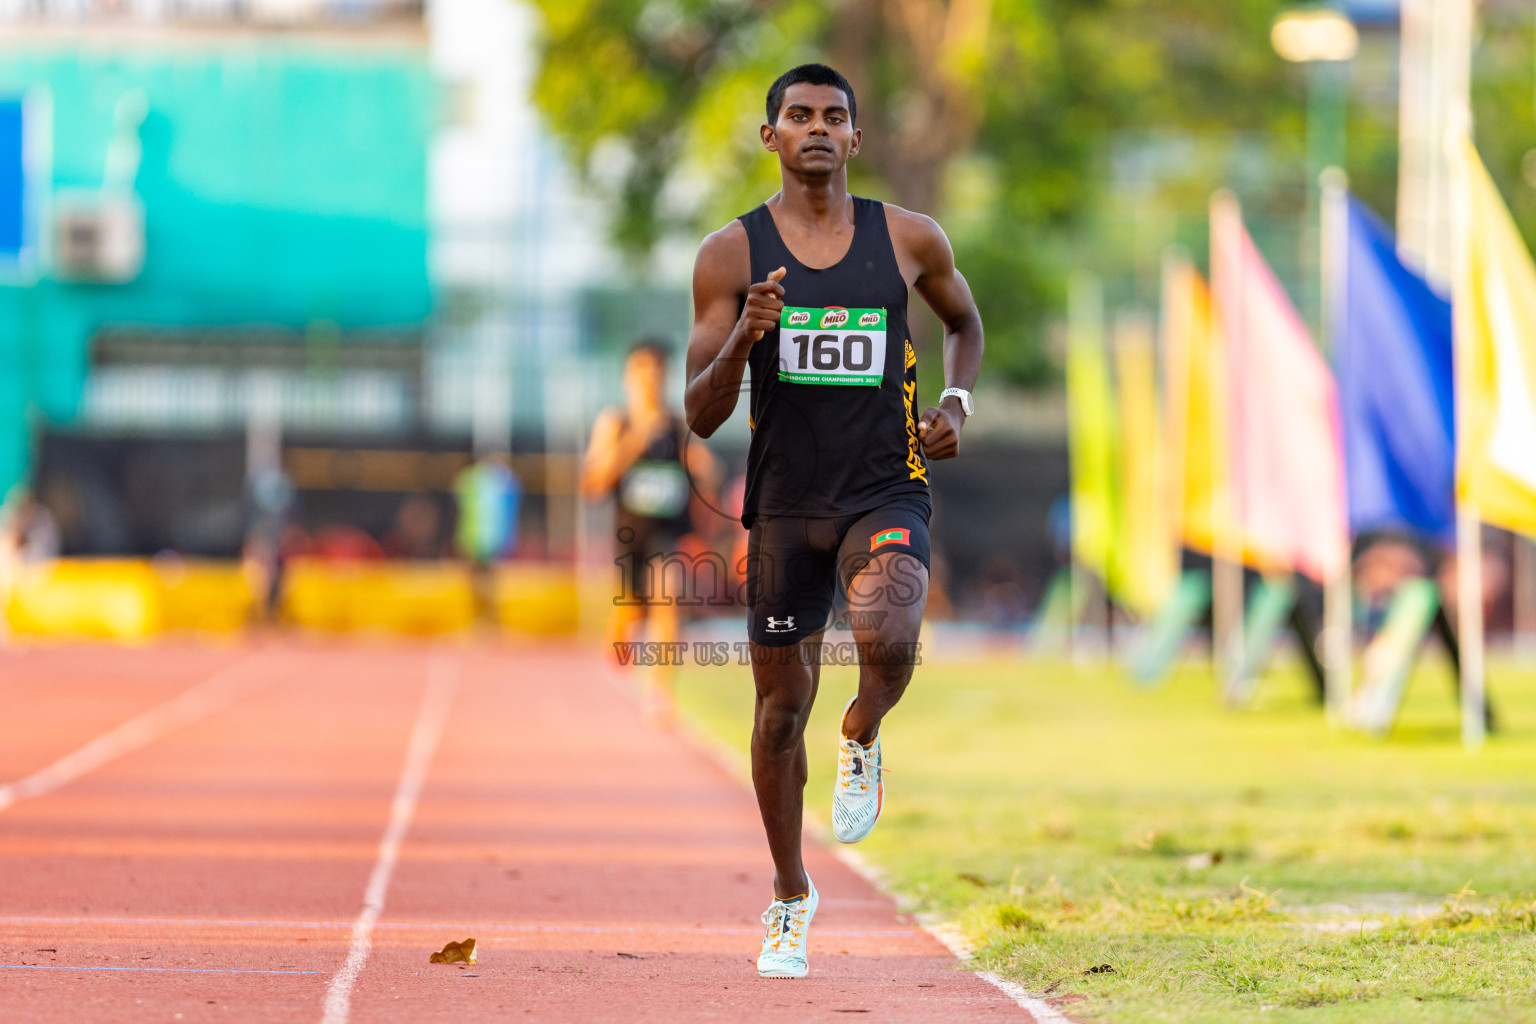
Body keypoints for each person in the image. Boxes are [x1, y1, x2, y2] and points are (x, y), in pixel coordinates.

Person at [683, 64, 983, 979]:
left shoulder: (909, 239)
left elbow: (963, 323)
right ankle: (788, 896)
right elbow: (698, 415)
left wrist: (958, 402)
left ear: (856, 138)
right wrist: (744, 337)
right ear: (770, 136)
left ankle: (860, 734)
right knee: (779, 713)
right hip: (782, 511)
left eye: (835, 116)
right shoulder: (730, 256)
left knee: (889, 635)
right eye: (800, 115)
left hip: (885, 489)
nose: (818, 127)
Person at [582, 339, 719, 726]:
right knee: (630, 615)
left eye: (657, 374)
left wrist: (704, 474)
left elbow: (705, 473)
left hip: (667, 535)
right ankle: (621, 634)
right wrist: (634, 441)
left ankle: (658, 690)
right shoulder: (615, 422)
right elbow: (593, 483)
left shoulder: (678, 426)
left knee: (668, 599)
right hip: (629, 537)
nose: (649, 382)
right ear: (628, 377)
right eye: (642, 373)